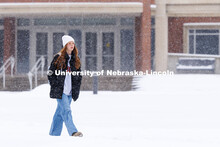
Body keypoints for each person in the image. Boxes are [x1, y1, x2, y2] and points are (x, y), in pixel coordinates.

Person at [47, 35, 83, 137]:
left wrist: (76, 88)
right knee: (66, 110)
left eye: (73, 43)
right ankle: (73, 132)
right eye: (69, 43)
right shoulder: (58, 57)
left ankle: (54, 134)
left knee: (59, 113)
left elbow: (78, 76)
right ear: (65, 45)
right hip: (60, 90)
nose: (72, 45)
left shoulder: (75, 59)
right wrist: (55, 85)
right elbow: (50, 73)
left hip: (70, 91)